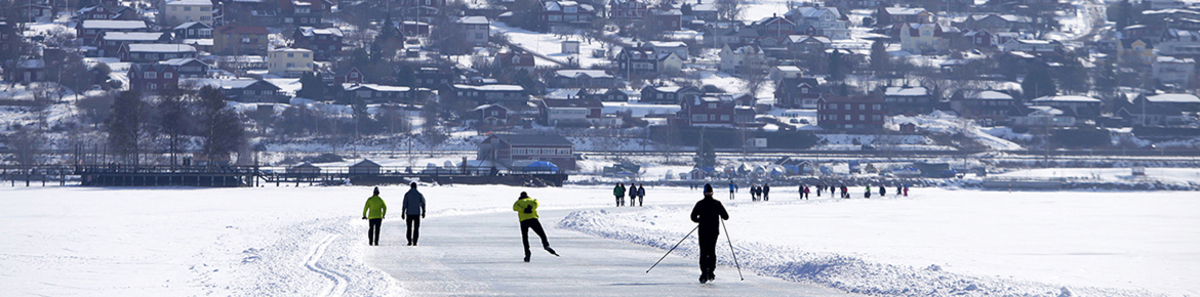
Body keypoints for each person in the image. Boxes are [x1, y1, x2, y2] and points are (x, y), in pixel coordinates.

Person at [690, 184, 729, 284]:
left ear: (704, 193)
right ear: (712, 193)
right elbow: (726, 216)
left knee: (703, 252)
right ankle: (711, 272)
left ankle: (704, 274)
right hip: (714, 231)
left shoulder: (700, 204)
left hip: (703, 230)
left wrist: (700, 220)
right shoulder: (717, 203)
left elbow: (693, 217)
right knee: (711, 251)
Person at [513, 191, 557, 262]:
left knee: (525, 237)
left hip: (524, 221)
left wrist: (524, 210)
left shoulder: (518, 203)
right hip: (533, 219)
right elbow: (537, 203)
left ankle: (527, 252)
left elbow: (515, 208)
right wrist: (531, 208)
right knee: (542, 234)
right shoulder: (532, 200)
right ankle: (546, 245)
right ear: (527, 195)